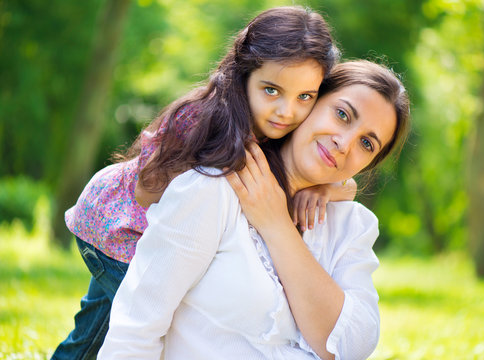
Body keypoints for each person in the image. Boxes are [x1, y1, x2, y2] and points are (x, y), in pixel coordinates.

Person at [51, 6, 350, 360]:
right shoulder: (203, 123)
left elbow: (347, 185)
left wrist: (322, 187)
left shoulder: (284, 127)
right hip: (117, 229)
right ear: (244, 75)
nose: (287, 111)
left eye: (305, 97)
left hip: (136, 237)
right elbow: (147, 192)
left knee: (90, 335)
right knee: (151, 326)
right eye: (271, 90)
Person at [97, 60, 411, 360]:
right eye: (342, 114)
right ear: (309, 101)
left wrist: (278, 227)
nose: (344, 143)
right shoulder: (215, 189)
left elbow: (352, 346)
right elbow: (137, 325)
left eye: (367, 144)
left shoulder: (351, 224)